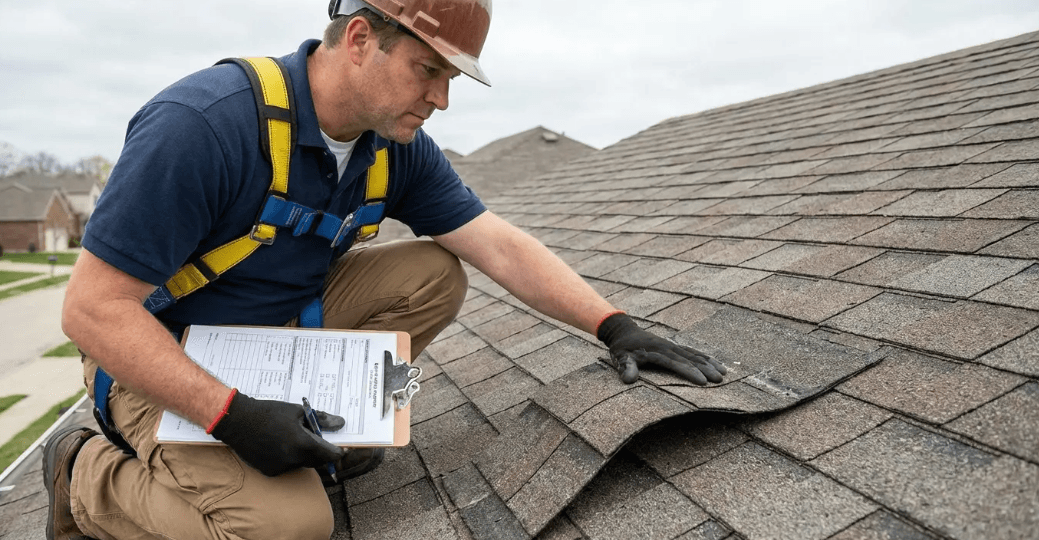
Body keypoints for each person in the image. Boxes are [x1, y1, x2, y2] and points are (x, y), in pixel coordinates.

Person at [46, 1, 727, 538]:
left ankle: (326, 418)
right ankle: (82, 473)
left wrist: (613, 325)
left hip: (274, 333)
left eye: (450, 78)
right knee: (287, 529)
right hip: (161, 353)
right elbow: (92, 311)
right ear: (361, 40)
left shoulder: (391, 146)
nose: (440, 98)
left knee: (436, 268)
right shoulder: (204, 126)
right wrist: (232, 415)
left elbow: (493, 242)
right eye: (427, 70)